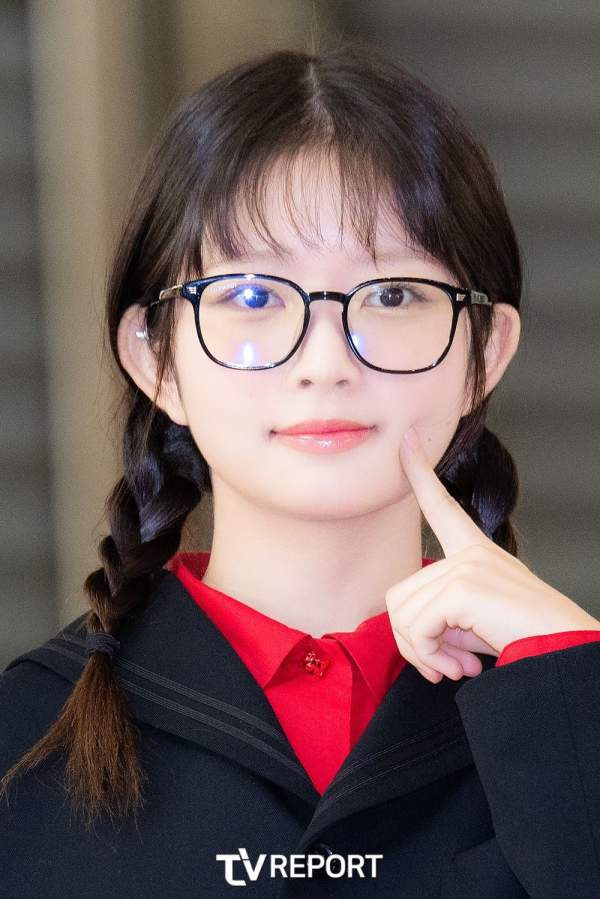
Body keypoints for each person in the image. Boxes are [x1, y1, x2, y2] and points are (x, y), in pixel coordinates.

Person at [2, 40, 600, 898]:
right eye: (252, 296)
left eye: (392, 295)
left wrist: (575, 693)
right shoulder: (24, 741)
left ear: (487, 352)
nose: (326, 363)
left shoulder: (571, 706)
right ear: (153, 357)